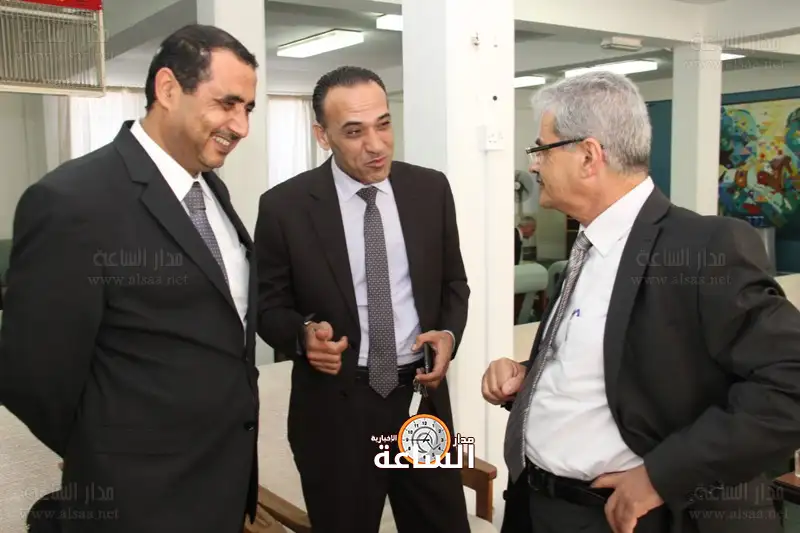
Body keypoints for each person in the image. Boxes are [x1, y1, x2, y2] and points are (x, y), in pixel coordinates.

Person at [482, 70, 800, 533]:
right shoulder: (588, 246)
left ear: (588, 156)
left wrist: (661, 476)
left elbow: (790, 383)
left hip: (625, 517)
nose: (533, 165)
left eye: (541, 149)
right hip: (537, 504)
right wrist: (529, 376)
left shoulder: (703, 248)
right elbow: (618, 364)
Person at [0, 24, 261, 533]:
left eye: (248, 108)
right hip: (136, 498)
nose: (242, 126)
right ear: (168, 89)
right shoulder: (72, 201)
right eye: (227, 104)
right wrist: (106, 452)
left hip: (223, 479)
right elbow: (32, 375)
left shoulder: (212, 191)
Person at [254, 65, 471, 533]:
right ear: (323, 135)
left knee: (443, 523)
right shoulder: (284, 207)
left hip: (420, 399)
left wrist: (449, 334)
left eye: (383, 124)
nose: (376, 145)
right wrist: (301, 335)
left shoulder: (430, 189)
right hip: (335, 406)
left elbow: (454, 283)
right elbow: (266, 306)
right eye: (354, 132)